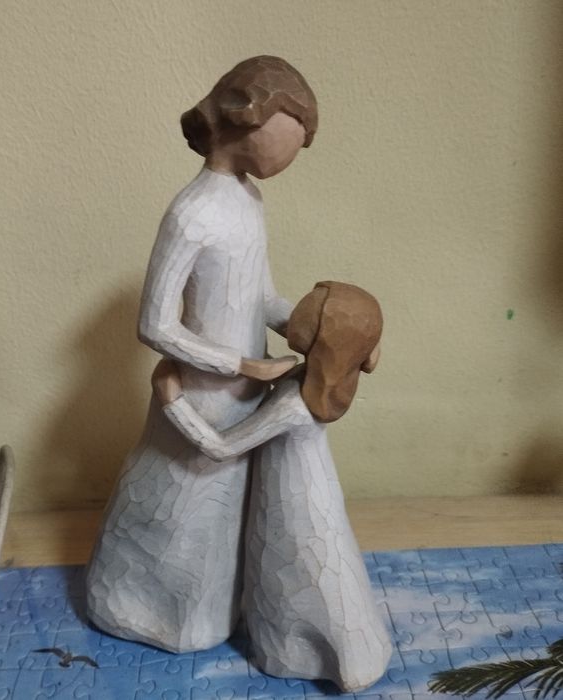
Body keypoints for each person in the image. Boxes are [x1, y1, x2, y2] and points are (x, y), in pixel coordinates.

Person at [85, 56, 319, 653]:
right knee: (178, 504)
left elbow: (261, 295)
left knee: (223, 511)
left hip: (244, 396)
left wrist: (306, 326)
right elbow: (155, 324)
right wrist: (240, 365)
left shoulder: (250, 202)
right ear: (245, 118)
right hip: (202, 393)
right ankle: (142, 608)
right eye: (290, 135)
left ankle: (213, 611)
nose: (295, 153)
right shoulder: (192, 213)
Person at [152, 282, 392, 692]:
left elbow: (221, 447)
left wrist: (172, 400)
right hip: (314, 493)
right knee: (319, 574)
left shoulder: (294, 404)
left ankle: (311, 655)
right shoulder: (332, 382)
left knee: (293, 576)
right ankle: (335, 652)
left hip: (289, 508)